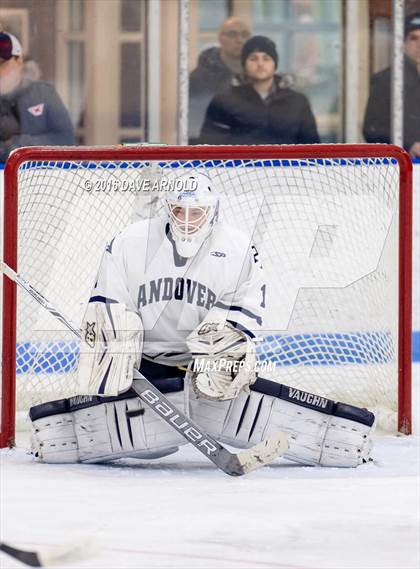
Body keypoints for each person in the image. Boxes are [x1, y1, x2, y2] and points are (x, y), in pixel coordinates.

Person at [29, 171, 374, 468]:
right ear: (167, 208)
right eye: (179, 210)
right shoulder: (130, 242)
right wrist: (113, 343)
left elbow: (248, 301)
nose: (187, 219)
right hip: (143, 363)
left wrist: (229, 340)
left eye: (197, 212)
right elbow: (108, 298)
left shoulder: (237, 248)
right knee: (153, 446)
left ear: (213, 212)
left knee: (221, 374)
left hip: (201, 365)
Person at [199, 35, 320, 145]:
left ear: (275, 65)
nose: (260, 63)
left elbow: (312, 147)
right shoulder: (224, 102)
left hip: (287, 168)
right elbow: (210, 147)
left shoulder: (297, 102)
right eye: (253, 58)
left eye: (266, 58)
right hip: (240, 168)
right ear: (244, 65)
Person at [0, 31, 75, 163]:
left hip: (45, 178)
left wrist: (18, 144)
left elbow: (66, 141)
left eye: (3, 63)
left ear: (19, 61)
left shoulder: (43, 94)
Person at [363, 12, 420, 158]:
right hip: (403, 166)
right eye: (414, 38)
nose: (419, 44)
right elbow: (371, 130)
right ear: (403, 43)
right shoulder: (387, 80)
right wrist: (409, 144)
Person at [188, 17, 251, 144]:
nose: (240, 40)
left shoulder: (258, 76)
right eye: (232, 34)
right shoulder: (199, 79)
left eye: (245, 35)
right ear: (220, 38)